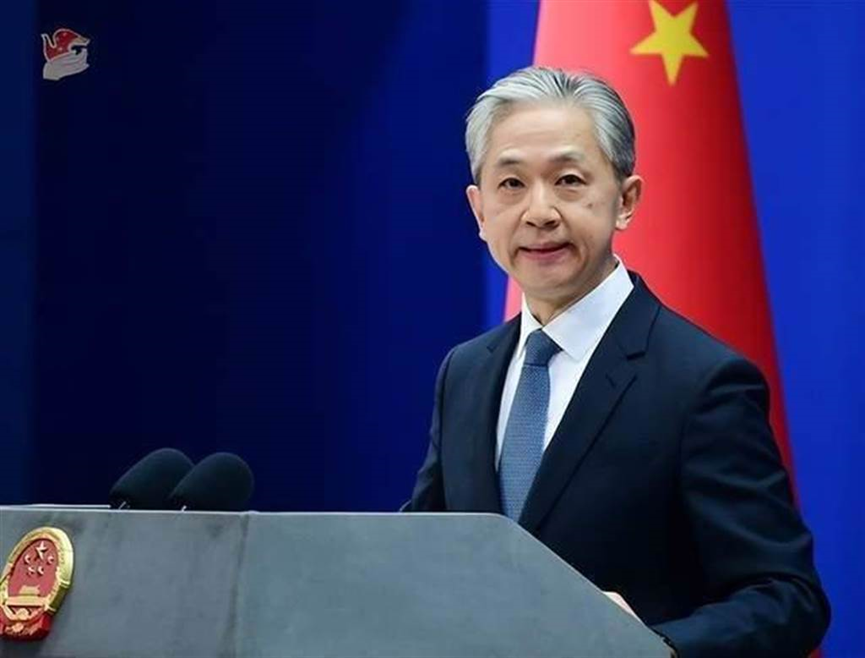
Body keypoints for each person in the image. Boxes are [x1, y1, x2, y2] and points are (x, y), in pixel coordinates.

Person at [406, 67, 829, 657]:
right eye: (511, 184)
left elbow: (788, 598)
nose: (539, 211)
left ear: (625, 200)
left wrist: (652, 647)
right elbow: (419, 557)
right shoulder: (466, 372)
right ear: (479, 211)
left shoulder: (700, 382)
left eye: (568, 180)